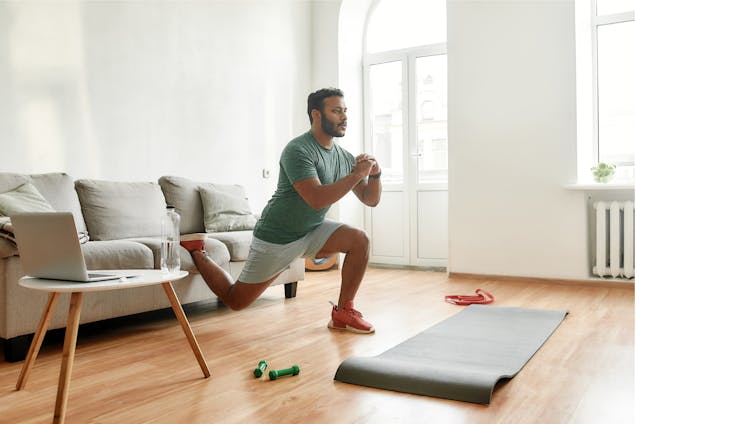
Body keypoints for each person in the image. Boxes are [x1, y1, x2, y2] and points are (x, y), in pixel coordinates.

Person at [180, 87, 382, 333]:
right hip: (277, 236)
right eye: (336, 111)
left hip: (312, 229)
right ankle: (198, 251)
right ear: (316, 115)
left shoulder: (344, 157)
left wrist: (374, 175)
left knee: (359, 240)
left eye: (345, 111)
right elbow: (316, 199)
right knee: (235, 300)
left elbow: (370, 200)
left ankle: (343, 313)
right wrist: (356, 174)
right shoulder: (298, 150)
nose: (344, 117)